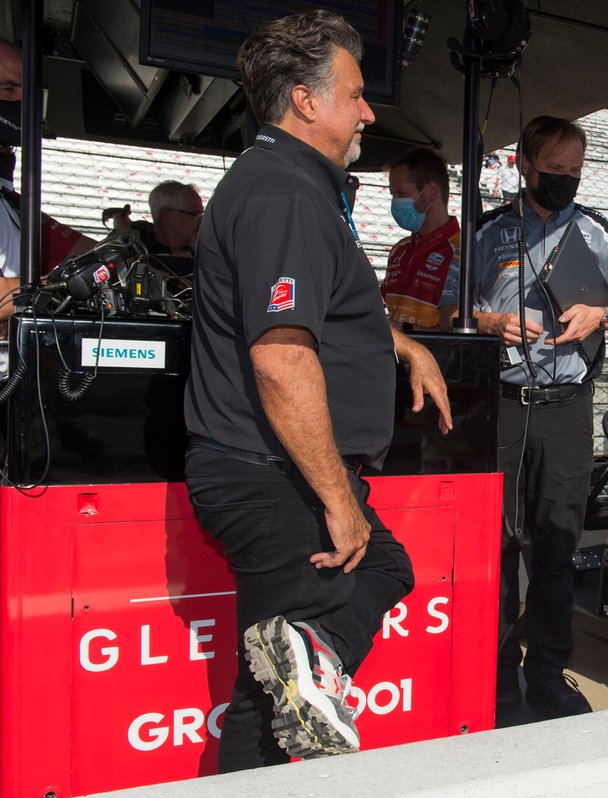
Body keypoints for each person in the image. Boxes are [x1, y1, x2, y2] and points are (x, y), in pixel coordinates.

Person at [182, 10, 452, 772]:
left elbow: (319, 311)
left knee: (364, 591)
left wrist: (398, 344)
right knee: (269, 710)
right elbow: (280, 356)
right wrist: (337, 497)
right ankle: (312, 646)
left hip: (270, 472)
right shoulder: (285, 194)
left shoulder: (286, 185)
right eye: (357, 95)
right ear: (305, 99)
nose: (369, 112)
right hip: (272, 476)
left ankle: (309, 648)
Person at [471, 115, 608, 718]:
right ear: (524, 164)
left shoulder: (598, 233)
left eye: (574, 171)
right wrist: (491, 323)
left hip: (567, 410)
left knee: (557, 544)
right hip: (501, 409)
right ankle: (494, 672)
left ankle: (546, 672)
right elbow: (449, 311)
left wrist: (602, 316)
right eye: (554, 170)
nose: (565, 180)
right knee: (494, 545)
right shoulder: (487, 232)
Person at [0, 37, 94, 379]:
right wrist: (60, 287)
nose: (20, 101)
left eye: (26, 90)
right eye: (8, 88)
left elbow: (85, 251)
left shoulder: (9, 202)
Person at [380, 147, 458, 330]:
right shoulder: (400, 249)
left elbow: (463, 326)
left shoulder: (464, 252)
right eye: (393, 195)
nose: (395, 202)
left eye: (401, 194)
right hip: (393, 356)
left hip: (437, 357)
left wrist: (403, 332)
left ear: (431, 191)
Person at [145, 180, 205, 258]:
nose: (202, 221)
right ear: (168, 217)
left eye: (202, 214)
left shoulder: (205, 253)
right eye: (195, 214)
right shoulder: (138, 256)